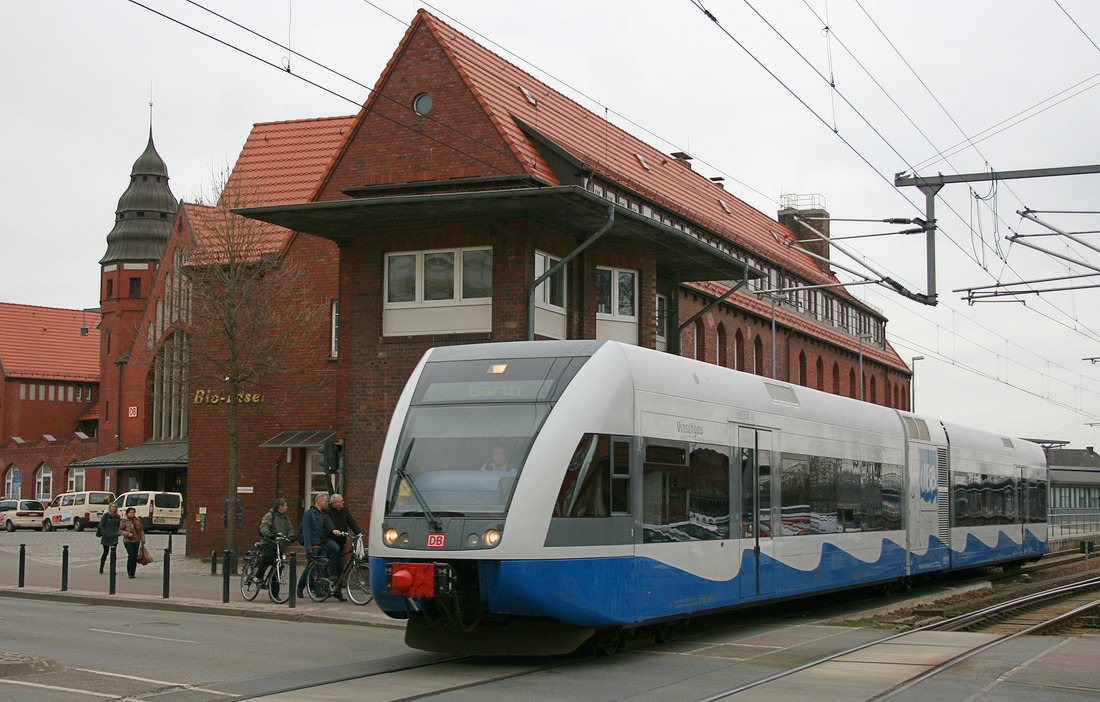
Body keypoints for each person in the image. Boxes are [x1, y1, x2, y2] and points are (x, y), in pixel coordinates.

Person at [322, 494, 362, 598]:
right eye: (341, 501)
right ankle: (332, 575)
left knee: (341, 565)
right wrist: (333, 530)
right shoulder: (327, 511)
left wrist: (359, 533)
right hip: (328, 538)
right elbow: (327, 521)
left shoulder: (345, 511)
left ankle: (337, 591)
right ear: (335, 503)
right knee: (335, 549)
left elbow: (351, 521)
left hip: (340, 540)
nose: (343, 502)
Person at [297, 493, 329, 599]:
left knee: (321, 567)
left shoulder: (323, 514)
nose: (327, 503)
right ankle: (300, 587)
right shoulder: (309, 514)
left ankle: (319, 589)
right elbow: (306, 530)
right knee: (311, 567)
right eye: (325, 501)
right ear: (318, 501)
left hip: (321, 543)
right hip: (313, 544)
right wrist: (308, 545)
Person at [257, 497, 294, 584]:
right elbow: (264, 526)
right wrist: (268, 534)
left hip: (279, 545)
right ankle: (259, 575)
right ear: (280, 507)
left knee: (278, 567)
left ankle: (274, 593)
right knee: (269, 556)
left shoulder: (285, 518)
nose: (287, 507)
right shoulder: (270, 515)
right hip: (269, 542)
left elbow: (290, 528)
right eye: (285, 505)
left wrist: (291, 536)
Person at [119, 507, 145, 578]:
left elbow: (141, 530)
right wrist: (127, 534)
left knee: (134, 556)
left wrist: (143, 539)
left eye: (133, 512)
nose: (132, 514)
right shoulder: (124, 521)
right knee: (131, 555)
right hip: (128, 540)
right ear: (127, 513)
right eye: (130, 512)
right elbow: (120, 530)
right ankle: (129, 572)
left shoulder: (138, 520)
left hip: (136, 540)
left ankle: (133, 572)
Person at [96, 502, 121, 574]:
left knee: (114, 553)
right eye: (113, 507)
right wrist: (104, 533)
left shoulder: (117, 516)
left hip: (114, 536)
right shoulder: (106, 516)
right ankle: (101, 568)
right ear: (110, 508)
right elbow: (101, 525)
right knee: (105, 552)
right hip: (106, 536)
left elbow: (119, 526)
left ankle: (113, 569)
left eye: (115, 507)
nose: (114, 508)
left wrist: (118, 533)